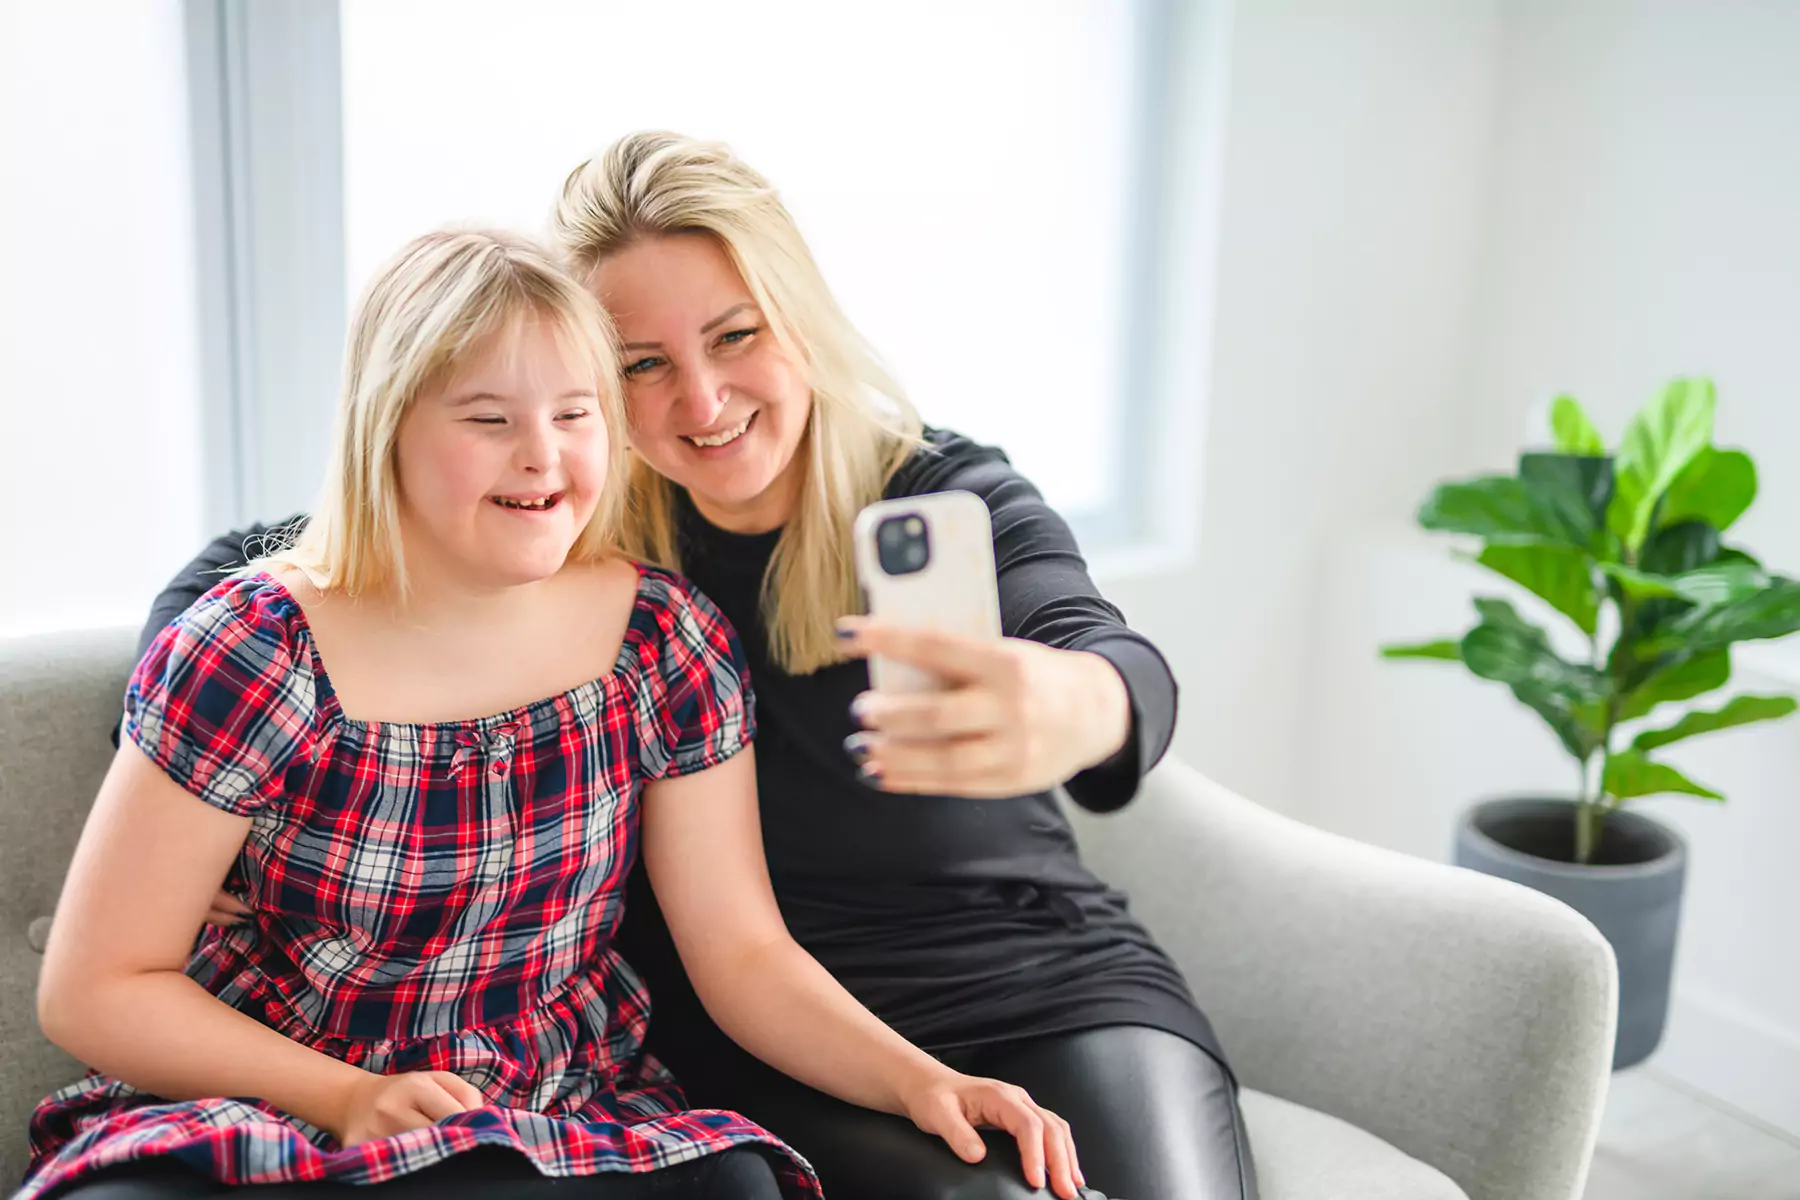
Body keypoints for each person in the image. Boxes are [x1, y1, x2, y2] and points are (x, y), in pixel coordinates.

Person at [139, 131, 1258, 1200]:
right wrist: (189, 789)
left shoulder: (936, 493)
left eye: (735, 336)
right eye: (643, 365)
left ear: (800, 317)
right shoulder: (571, 529)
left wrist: (1078, 705)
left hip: (1034, 979)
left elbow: (1106, 652)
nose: (704, 401)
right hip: (750, 1015)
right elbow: (276, 557)